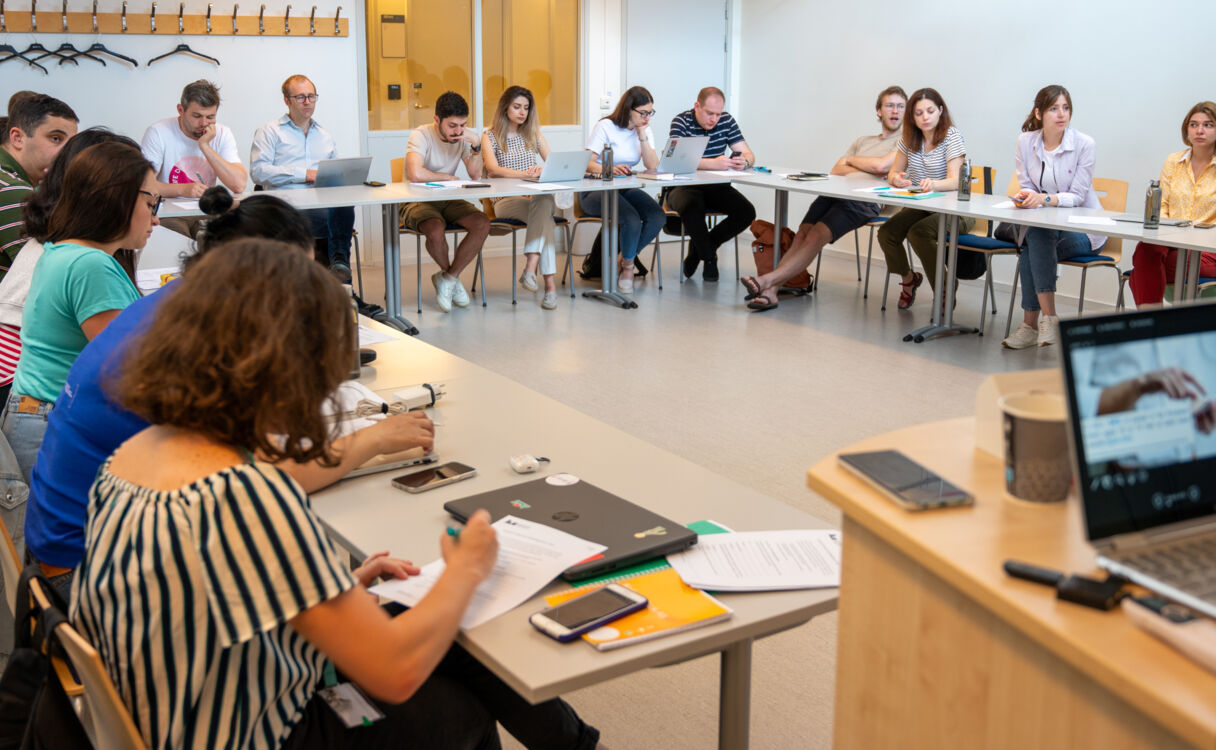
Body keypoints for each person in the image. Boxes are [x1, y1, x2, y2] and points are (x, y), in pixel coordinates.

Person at [72, 238, 604, 750]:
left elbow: (202, 589)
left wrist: (334, 586)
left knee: (414, 619)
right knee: (457, 704)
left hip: (171, 712)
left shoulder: (134, 455)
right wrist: (467, 567)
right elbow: (394, 673)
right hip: (255, 730)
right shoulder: (244, 496)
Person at [25, 186, 434, 601]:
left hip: (74, 544)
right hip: (91, 575)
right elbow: (273, 478)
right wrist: (374, 438)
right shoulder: (202, 343)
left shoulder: (178, 306)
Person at [0, 142, 153, 564]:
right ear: (119, 199)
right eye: (151, 201)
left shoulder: (61, 249)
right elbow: (134, 368)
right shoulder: (91, 265)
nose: (155, 216)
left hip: (34, 414)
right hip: (50, 421)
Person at [739, 85, 906, 310]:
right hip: (835, 192)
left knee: (814, 237)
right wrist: (869, 168)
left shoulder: (905, 143)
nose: (895, 111)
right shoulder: (863, 140)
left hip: (865, 202)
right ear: (879, 111)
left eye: (900, 106)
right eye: (890, 106)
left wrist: (854, 162)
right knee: (801, 236)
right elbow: (836, 170)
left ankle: (766, 282)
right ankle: (772, 292)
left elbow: (881, 165)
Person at [1001, 85, 1106, 350]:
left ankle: (1033, 325)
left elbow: (1079, 196)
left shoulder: (1084, 144)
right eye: (1053, 108)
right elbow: (1026, 184)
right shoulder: (1025, 142)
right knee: (1036, 235)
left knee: (1034, 240)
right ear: (1038, 113)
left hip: (1083, 230)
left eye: (1066, 108)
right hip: (1044, 226)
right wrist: (1026, 197)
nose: (1061, 114)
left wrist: (1046, 199)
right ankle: (1047, 320)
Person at [0, 93, 79, 401]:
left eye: (70, 144)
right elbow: (51, 275)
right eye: (55, 138)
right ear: (17, 137)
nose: (65, 154)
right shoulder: (12, 192)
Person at [1128, 102, 1216, 307]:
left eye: (1208, 125)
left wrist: (1192, 232)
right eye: (1193, 124)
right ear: (1186, 129)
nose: (1199, 130)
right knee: (1146, 251)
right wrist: (1172, 230)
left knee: (1142, 266)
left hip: (1209, 246)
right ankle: (1158, 322)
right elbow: (1161, 205)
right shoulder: (1173, 161)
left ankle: (1153, 322)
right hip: (1170, 238)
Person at [250, 74, 357, 283]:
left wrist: (346, 177)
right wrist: (304, 174)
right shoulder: (269, 131)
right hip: (285, 206)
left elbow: (334, 171)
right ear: (287, 101)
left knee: (343, 204)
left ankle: (339, 265)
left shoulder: (324, 135)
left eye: (311, 96)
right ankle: (341, 285)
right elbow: (258, 171)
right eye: (300, 97)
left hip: (320, 204)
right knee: (334, 223)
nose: (307, 102)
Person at [877, 87, 975, 309]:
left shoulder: (952, 136)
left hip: (956, 209)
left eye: (930, 111)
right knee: (887, 233)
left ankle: (944, 287)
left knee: (919, 233)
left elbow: (954, 180)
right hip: (924, 206)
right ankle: (909, 279)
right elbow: (894, 172)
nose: (925, 117)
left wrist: (934, 184)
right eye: (919, 113)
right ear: (912, 116)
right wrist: (897, 179)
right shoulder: (909, 138)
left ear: (940, 110)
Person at [401, 91, 491, 313]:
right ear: (436, 120)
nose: (458, 131)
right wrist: (448, 177)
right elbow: (415, 173)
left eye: (463, 125)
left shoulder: (461, 139)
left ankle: (449, 278)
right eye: (452, 125)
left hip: (447, 197)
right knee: (435, 227)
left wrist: (477, 145)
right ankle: (452, 278)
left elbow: (475, 174)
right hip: (416, 198)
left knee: (482, 223)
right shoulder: (420, 135)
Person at [666, 86, 757, 281]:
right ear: (697, 106)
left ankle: (699, 251)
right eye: (709, 113)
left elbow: (749, 153)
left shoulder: (726, 120)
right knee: (692, 205)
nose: (714, 119)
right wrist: (711, 163)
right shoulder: (681, 121)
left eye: (718, 114)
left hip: (716, 187)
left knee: (746, 212)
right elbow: (673, 161)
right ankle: (709, 258)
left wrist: (745, 161)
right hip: (683, 186)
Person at [481, 85, 559, 309]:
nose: (522, 112)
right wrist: (526, 173)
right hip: (505, 201)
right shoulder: (490, 135)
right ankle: (549, 287)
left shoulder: (534, 134)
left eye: (526, 108)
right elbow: (494, 170)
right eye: (517, 107)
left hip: (533, 198)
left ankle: (530, 270)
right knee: (546, 221)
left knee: (543, 204)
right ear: (505, 108)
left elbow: (552, 164)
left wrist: (542, 170)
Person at [582, 86, 665, 294]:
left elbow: (652, 165)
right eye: (643, 113)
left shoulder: (643, 130)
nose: (647, 117)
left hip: (623, 187)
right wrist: (609, 169)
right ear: (629, 109)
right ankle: (628, 268)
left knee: (657, 216)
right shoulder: (606, 126)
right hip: (594, 190)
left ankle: (622, 259)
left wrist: (642, 134)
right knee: (631, 219)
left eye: (650, 113)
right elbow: (586, 163)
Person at [141, 79, 248, 236]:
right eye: (197, 116)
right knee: (180, 242)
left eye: (210, 117)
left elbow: (238, 185)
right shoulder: (158, 132)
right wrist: (182, 189)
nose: (204, 123)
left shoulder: (223, 133)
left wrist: (204, 146)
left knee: (235, 236)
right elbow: (143, 185)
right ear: (180, 110)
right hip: (169, 213)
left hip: (208, 210)